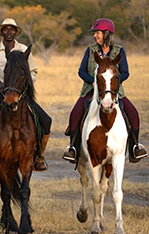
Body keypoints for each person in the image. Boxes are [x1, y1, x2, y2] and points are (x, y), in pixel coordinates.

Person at [62, 18, 147, 163]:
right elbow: (81, 71)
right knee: (75, 115)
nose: (95, 36)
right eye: (95, 33)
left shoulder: (119, 51)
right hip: (91, 90)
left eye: (97, 33)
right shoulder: (90, 50)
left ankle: (134, 147)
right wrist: (93, 81)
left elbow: (125, 72)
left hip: (114, 92)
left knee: (133, 114)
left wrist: (113, 83)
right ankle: (73, 149)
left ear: (106, 34)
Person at [0, 18, 52, 171]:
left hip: (22, 94)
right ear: (2, 32)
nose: (9, 31)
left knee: (46, 120)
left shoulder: (24, 50)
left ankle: (40, 156)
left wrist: (24, 85)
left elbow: (33, 72)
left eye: (12, 29)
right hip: (2, 93)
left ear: (16, 32)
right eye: (6, 29)